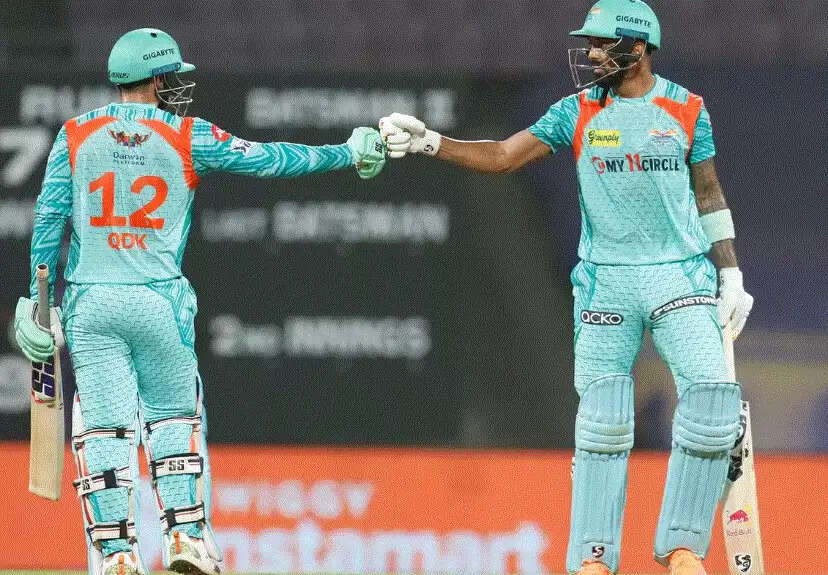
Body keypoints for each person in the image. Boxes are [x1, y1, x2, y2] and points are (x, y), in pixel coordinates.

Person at [378, 1, 753, 573]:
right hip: (606, 281)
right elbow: (503, 155)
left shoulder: (686, 108)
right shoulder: (575, 111)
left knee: (713, 406)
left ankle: (682, 550)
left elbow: (709, 194)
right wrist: (431, 142)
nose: (592, 54)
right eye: (590, 44)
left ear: (638, 47)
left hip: (678, 273)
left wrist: (730, 272)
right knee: (603, 424)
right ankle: (594, 559)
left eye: (602, 44)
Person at [13, 28, 385, 575]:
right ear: (157, 79)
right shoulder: (189, 135)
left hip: (92, 306)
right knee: (172, 418)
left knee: (105, 430)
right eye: (172, 77)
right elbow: (270, 159)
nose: (178, 86)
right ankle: (186, 536)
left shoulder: (73, 135)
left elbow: (48, 221)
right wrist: (346, 153)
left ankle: (116, 554)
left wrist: (37, 299)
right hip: (159, 303)